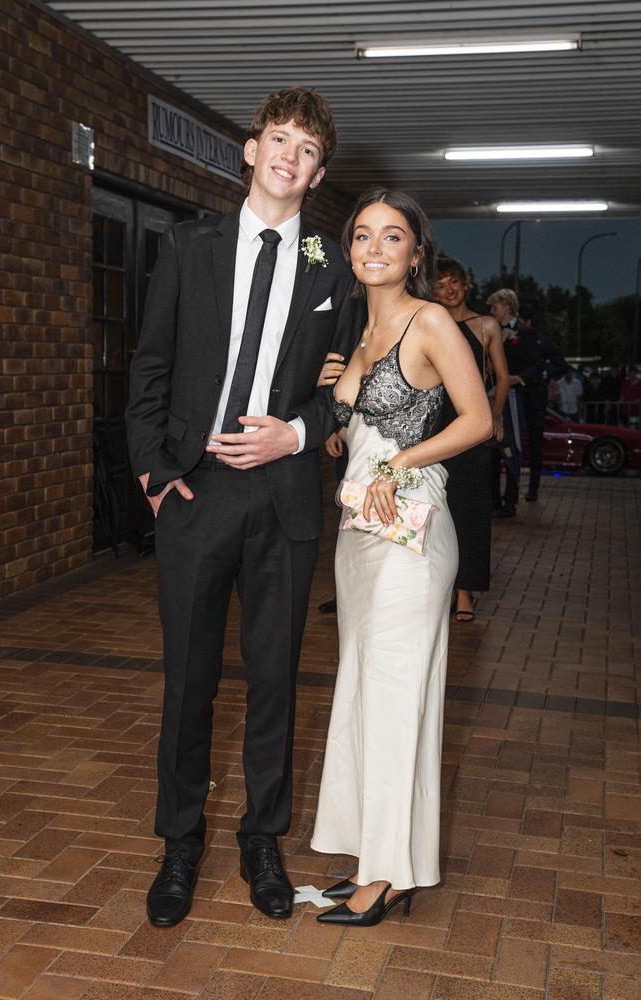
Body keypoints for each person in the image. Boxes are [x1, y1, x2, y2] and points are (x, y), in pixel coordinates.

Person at [126, 86, 361, 928]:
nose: (288, 155)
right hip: (195, 491)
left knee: (273, 682)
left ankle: (263, 839)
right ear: (251, 150)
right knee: (188, 681)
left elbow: (349, 394)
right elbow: (147, 366)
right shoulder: (189, 247)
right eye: (278, 139)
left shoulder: (337, 270)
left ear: (317, 172)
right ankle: (178, 842)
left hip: (284, 496)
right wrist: (153, 472)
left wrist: (295, 435)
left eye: (306, 148)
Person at [310, 189, 492, 927]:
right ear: (350, 249)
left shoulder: (431, 321)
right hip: (358, 534)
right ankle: (378, 858)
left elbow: (477, 419)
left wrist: (397, 463)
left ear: (417, 251)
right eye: (361, 236)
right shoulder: (356, 334)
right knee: (365, 694)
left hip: (411, 536)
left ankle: (384, 878)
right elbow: (343, 441)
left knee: (392, 700)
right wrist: (333, 415)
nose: (374, 248)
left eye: (392, 237)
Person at [435, 256, 509, 621]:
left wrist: (494, 416)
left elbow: (502, 377)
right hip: (435, 425)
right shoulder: (428, 322)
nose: (448, 290)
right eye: (441, 284)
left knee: (470, 508)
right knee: (438, 508)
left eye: (454, 282)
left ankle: (466, 591)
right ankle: (442, 586)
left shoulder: (486, 325)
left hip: (472, 420)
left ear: (466, 284)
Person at [487, 290, 566, 510]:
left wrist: (520, 378)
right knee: (495, 446)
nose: (491, 310)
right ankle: (494, 497)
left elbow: (540, 364)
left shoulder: (529, 333)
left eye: (495, 306)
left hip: (526, 399)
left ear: (507, 306)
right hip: (498, 398)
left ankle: (522, 493)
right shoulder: (489, 331)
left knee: (523, 446)